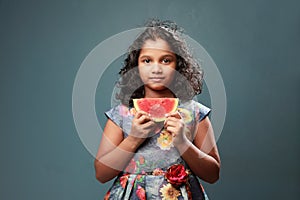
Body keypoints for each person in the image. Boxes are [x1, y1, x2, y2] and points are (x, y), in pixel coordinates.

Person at [94, 19, 221, 200]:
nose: (156, 68)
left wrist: (183, 142)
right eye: (147, 60)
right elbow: (101, 174)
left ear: (178, 65)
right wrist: (134, 139)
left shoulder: (195, 113)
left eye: (166, 60)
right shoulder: (120, 115)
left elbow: (213, 174)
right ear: (136, 66)